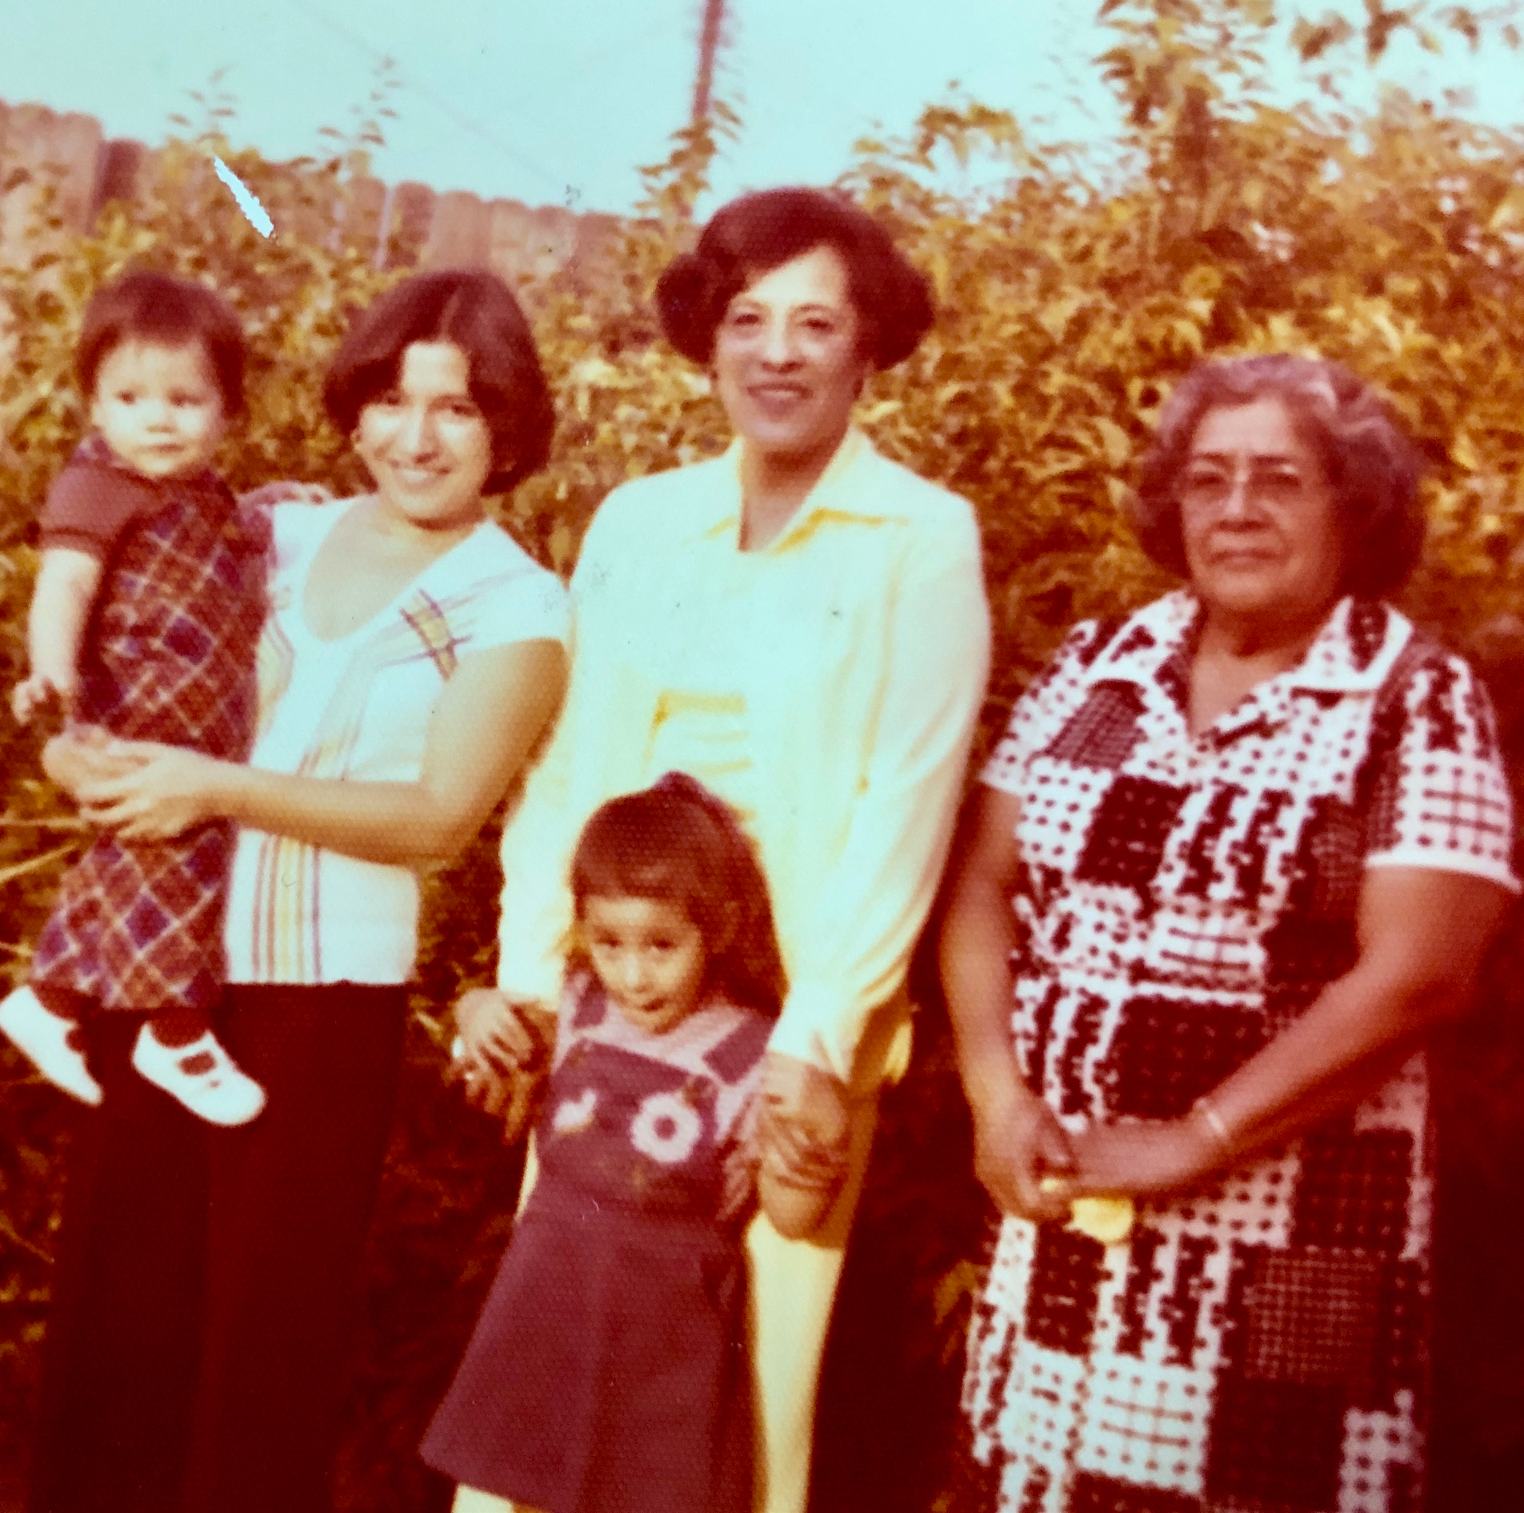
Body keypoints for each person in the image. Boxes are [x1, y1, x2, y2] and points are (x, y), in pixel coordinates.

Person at [455, 186, 992, 1513]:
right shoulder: (640, 521)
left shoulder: (917, 537)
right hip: (612, 998)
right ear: (706, 340)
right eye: (746, 319)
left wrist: (814, 1044)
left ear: (867, 349)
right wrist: (528, 984)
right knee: (552, 1365)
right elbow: (565, 770)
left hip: (787, 1026)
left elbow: (905, 804)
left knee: (738, 1405)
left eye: (816, 323)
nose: (777, 352)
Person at [25, 267, 569, 1513]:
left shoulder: (517, 604)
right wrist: (71, 742)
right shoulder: (268, 527)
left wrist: (215, 788)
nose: (414, 436)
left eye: (457, 408)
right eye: (389, 399)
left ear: (506, 429)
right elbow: (108, 637)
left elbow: (436, 820)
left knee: (254, 1358)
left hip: (316, 1014)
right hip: (155, 974)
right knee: (113, 1323)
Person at [939, 354, 1519, 1513]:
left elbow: (1419, 976)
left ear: (1350, 507)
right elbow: (981, 888)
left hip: (1289, 1246)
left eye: (1278, 479)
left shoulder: (1414, 695)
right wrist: (994, 1095)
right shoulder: (1100, 664)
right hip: (1061, 1216)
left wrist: (1191, 1138)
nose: (1236, 509)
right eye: (1206, 480)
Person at [424, 774, 834, 1513]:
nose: (633, 975)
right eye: (608, 942)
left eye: (661, 945)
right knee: (525, 1489)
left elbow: (795, 1213)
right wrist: (476, 1004)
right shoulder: (578, 1006)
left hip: (663, 1338)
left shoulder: (750, 1052)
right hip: (549, 1303)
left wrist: (810, 1141)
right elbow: (486, 1058)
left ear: (719, 925)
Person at [0, 268, 268, 1125]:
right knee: (178, 854)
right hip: (137, 708)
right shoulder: (95, 486)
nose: (158, 417)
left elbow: (226, 548)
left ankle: (51, 1001)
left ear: (226, 412)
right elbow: (65, 586)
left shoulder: (204, 495)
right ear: (94, 407)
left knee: (130, 860)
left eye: (185, 400)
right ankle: (176, 1030)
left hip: (201, 718)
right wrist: (51, 667)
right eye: (131, 396)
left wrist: (267, 508)